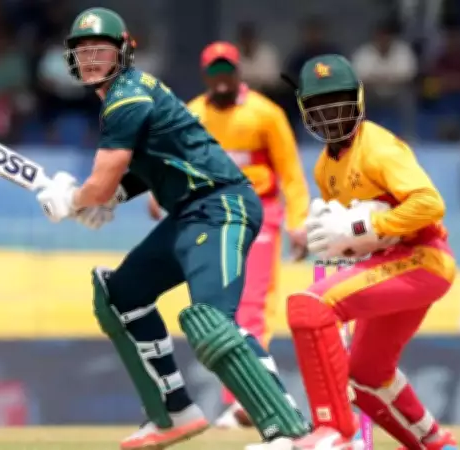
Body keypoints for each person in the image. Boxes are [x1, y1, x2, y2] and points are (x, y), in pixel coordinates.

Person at [34, 8, 311, 450]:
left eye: (101, 50)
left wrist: (74, 199)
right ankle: (173, 413)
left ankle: (289, 432)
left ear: (124, 52)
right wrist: (110, 199)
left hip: (221, 206)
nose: (92, 59)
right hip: (188, 212)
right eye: (83, 51)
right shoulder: (130, 94)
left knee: (211, 323)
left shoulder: (125, 98)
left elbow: (100, 183)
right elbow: (156, 163)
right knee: (120, 295)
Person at [257, 54, 459, 450]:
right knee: (366, 375)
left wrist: (360, 227)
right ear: (304, 110)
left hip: (424, 258)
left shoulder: (379, 148)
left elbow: (430, 205)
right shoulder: (324, 169)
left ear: (359, 99)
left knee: (309, 307)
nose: (331, 116)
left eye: (339, 103)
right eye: (319, 106)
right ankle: (437, 444)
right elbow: (360, 239)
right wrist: (339, 241)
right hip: (392, 263)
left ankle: (334, 430)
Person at [147, 41, 310, 429]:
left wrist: (298, 220)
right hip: (212, 216)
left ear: (238, 73)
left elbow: (290, 172)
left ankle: (247, 401)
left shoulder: (265, 114)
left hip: (260, 214)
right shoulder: (192, 113)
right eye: (214, 72)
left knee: (251, 305)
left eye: (227, 71)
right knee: (216, 310)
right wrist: (157, 192)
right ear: (206, 75)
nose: (221, 79)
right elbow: (170, 161)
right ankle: (241, 398)